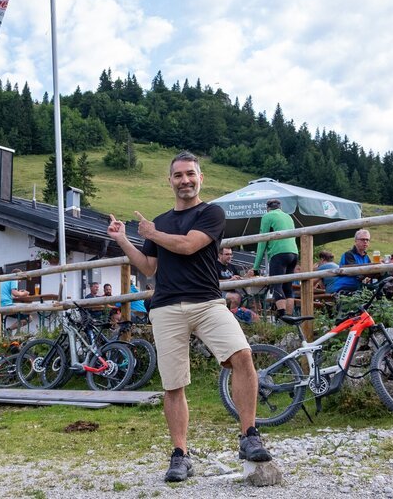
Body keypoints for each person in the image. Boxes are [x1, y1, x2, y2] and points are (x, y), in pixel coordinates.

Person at [107, 151, 271, 483]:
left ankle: (249, 435)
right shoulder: (160, 220)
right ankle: (180, 455)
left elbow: (187, 246)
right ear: (170, 180)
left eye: (190, 174)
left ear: (200, 178)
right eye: (178, 175)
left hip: (208, 302)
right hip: (166, 306)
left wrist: (151, 234)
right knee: (173, 383)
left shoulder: (211, 212)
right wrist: (123, 239)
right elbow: (150, 267)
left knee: (242, 355)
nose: (185, 180)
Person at [249, 199, 299, 318]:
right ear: (280, 207)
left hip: (279, 253)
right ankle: (290, 317)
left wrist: (256, 267)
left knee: (276, 285)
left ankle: (282, 317)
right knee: (288, 286)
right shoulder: (288, 216)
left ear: (267, 208)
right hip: (294, 253)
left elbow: (262, 242)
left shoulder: (267, 216)